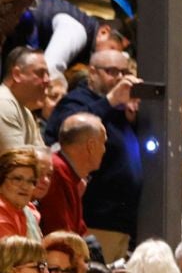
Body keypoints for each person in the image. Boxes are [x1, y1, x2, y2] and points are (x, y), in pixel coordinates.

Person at [42, 50, 141, 258]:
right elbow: (68, 131)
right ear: (92, 72)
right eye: (112, 71)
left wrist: (132, 117)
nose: (120, 78)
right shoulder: (76, 101)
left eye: (124, 72)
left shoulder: (119, 111)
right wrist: (111, 100)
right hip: (94, 218)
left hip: (121, 223)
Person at [37, 112, 99, 238]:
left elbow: (77, 228)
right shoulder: (58, 169)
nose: (104, 149)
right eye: (103, 142)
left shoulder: (72, 173)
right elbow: (59, 233)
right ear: (90, 146)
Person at [0, 47, 47, 150]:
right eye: (40, 73)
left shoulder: (26, 111)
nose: (47, 80)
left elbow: (44, 156)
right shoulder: (3, 103)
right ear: (17, 74)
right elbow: (17, 161)